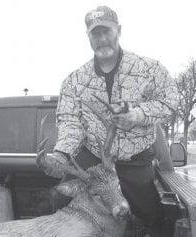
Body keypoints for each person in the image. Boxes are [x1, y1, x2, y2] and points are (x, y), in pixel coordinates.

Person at [40, 5, 179, 222]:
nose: (102, 39)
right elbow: (70, 122)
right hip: (94, 158)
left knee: (150, 214)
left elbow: (170, 101)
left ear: (119, 31)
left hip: (133, 158)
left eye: (107, 31)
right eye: (96, 34)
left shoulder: (149, 69)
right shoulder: (74, 81)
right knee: (61, 199)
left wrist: (138, 114)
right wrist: (61, 154)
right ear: (88, 37)